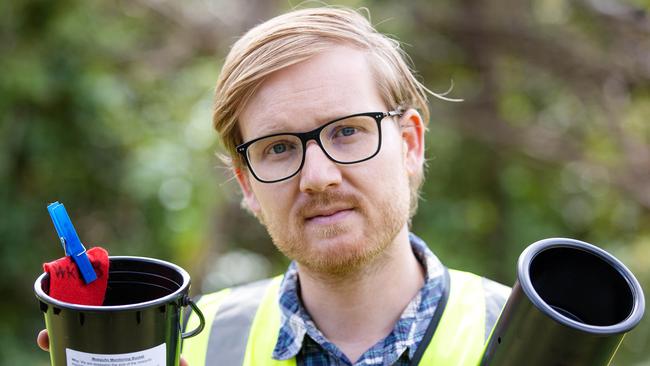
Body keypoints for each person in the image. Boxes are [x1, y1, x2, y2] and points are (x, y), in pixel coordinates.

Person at [39, 6, 510, 366]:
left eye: (346, 132)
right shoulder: (187, 343)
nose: (318, 177)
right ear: (247, 184)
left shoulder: (531, 338)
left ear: (408, 144)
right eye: (279, 148)